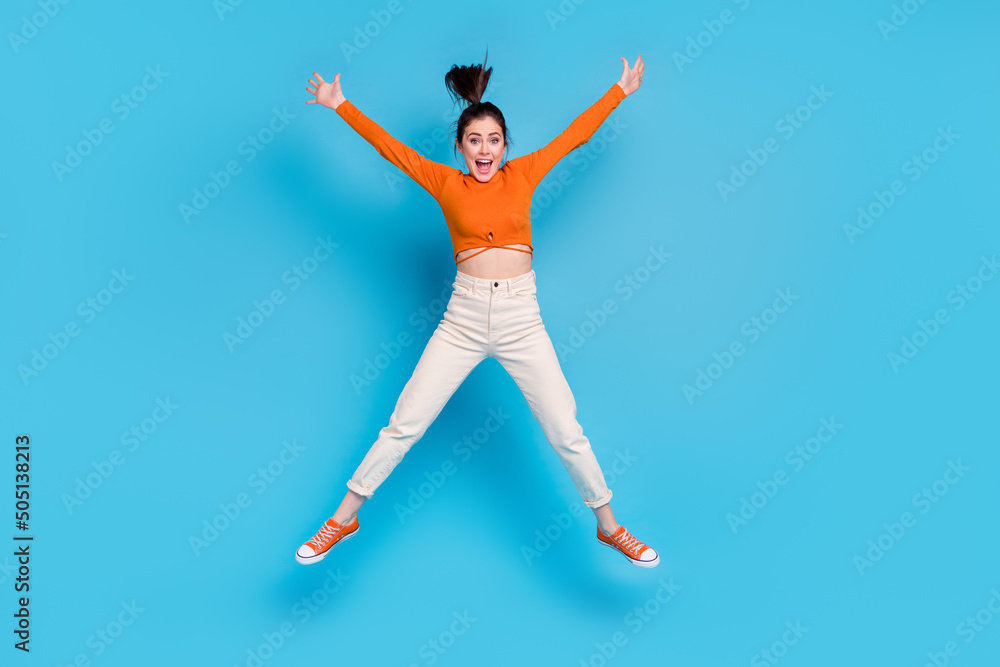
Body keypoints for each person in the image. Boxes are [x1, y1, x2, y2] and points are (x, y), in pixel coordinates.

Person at [298, 49, 657, 568]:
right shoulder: (447, 183)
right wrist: (340, 105)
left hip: (520, 320)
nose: (484, 150)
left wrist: (619, 92)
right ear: (460, 147)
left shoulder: (524, 175)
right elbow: (393, 151)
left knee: (565, 430)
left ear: (506, 145)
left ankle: (610, 527)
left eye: (493, 140)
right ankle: (343, 519)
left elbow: (575, 135)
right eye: (474, 141)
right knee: (404, 424)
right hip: (462, 320)